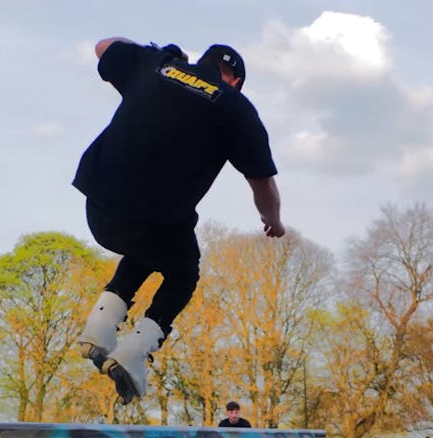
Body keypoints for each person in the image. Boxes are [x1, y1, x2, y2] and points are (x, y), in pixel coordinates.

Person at [73, 38, 285, 404]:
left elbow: (102, 46)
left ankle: (100, 326)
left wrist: (161, 52)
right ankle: (135, 352)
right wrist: (273, 221)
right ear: (234, 80)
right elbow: (263, 183)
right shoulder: (234, 106)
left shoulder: (156, 65)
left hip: (100, 210)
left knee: (150, 248)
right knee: (183, 270)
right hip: (156, 222)